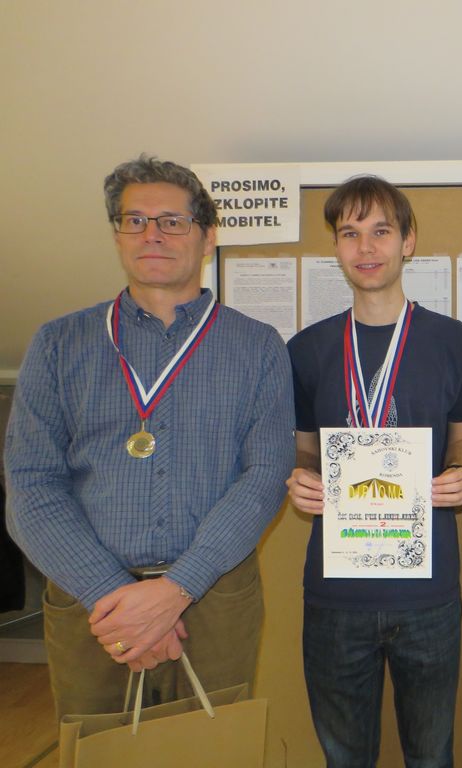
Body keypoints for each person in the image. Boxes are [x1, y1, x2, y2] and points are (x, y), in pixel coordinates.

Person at [4, 155, 294, 719]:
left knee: (210, 750)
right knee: (99, 749)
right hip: (90, 600)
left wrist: (177, 589)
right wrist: (115, 598)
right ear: (117, 234)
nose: (151, 234)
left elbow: (264, 477)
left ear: (207, 236)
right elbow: (31, 485)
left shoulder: (258, 346)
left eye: (172, 221)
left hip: (214, 597)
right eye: (134, 220)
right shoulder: (58, 344)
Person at [285, 175, 462, 768]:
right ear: (335, 246)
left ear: (408, 241)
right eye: (350, 233)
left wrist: (459, 472)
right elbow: (305, 449)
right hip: (335, 594)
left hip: (427, 592)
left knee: (431, 755)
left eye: (381, 231)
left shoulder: (456, 343)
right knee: (345, 759)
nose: (366, 247)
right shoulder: (306, 350)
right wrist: (302, 477)